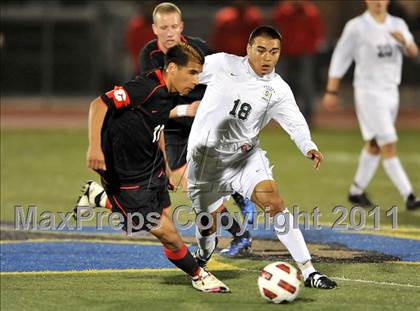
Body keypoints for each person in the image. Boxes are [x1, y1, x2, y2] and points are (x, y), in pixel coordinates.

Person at [75, 2, 256, 257]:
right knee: (186, 190)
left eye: (174, 27)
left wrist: (212, 104)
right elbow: (157, 104)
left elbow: (227, 79)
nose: (169, 33)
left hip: (203, 124)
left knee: (204, 181)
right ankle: (237, 232)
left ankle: (238, 209)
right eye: (164, 27)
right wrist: (184, 110)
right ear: (154, 29)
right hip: (170, 129)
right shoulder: (149, 56)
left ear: (181, 27)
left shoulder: (199, 49)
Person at [187, 25, 337, 289]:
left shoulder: (278, 89)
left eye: (274, 52)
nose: (267, 58)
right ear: (248, 49)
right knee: (207, 226)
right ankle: (203, 255)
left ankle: (309, 271)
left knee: (275, 203)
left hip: (244, 158)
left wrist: (308, 146)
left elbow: (295, 122)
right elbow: (188, 74)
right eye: (261, 50)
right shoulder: (222, 64)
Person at [86, 42, 229, 293]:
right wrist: (94, 148)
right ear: (172, 68)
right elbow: (98, 104)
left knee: (162, 221)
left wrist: (166, 167)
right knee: (169, 234)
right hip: (125, 174)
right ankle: (199, 275)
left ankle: (98, 197)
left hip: (153, 169)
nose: (197, 80)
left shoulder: (169, 93)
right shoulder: (145, 88)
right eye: (192, 73)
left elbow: (157, 127)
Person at [322, 0, 420, 210]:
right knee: (388, 143)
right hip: (368, 92)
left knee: (375, 144)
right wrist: (332, 90)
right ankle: (409, 195)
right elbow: (340, 57)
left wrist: (405, 42)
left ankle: (356, 191)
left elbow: (413, 52)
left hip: (391, 91)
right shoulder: (356, 26)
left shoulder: (398, 23)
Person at [271, 0, 324, 127]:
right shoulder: (284, 11)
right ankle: (283, 117)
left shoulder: (311, 13)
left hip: (305, 53)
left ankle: (308, 117)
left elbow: (316, 34)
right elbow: (276, 29)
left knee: (306, 83)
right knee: (282, 83)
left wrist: (307, 47)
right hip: (285, 52)